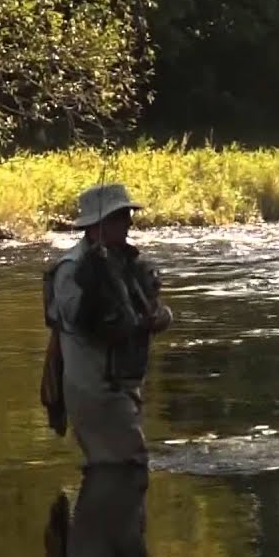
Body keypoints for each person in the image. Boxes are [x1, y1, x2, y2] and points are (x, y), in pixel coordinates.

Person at [41, 183, 173, 466]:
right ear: (96, 225)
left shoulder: (124, 260)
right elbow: (86, 326)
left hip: (123, 387)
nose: (128, 223)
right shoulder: (72, 269)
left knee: (123, 472)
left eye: (127, 215)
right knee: (127, 470)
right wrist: (130, 318)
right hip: (96, 391)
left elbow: (147, 310)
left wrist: (161, 317)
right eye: (119, 216)